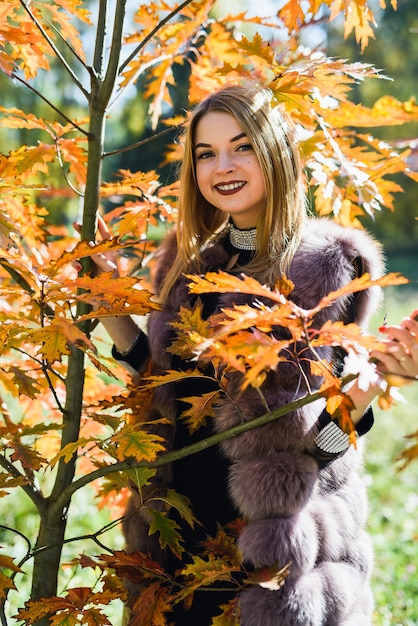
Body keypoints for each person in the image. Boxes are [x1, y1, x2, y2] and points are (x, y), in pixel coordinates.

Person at [84, 84, 418, 625]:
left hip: (275, 559)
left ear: (277, 153)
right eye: (205, 153)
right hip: (178, 545)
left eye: (242, 146)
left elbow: (323, 449)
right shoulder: (185, 265)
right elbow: (165, 390)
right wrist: (111, 308)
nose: (223, 166)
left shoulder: (329, 268)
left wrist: (368, 391)